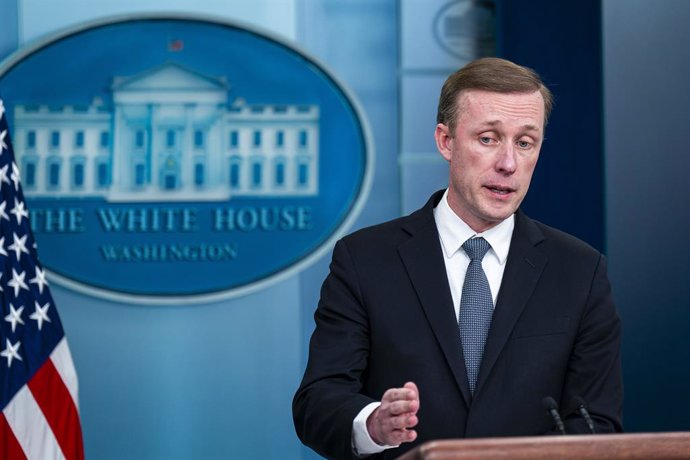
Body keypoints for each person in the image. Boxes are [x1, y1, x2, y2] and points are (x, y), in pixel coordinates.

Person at [292, 57, 622, 460]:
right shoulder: (365, 260)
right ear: (446, 141)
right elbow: (318, 402)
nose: (508, 163)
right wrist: (374, 423)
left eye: (525, 142)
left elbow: (596, 422)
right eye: (488, 138)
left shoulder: (579, 270)